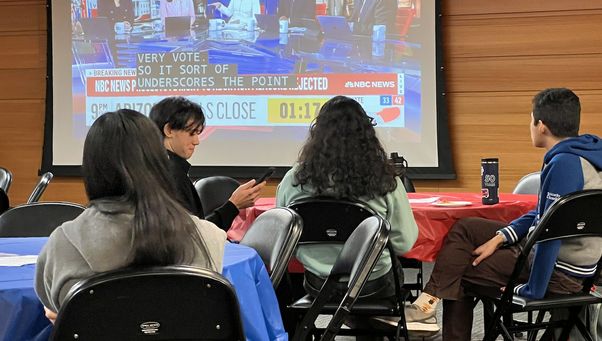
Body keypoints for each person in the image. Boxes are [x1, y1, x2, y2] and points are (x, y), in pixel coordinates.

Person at [405, 88, 602, 339]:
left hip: (559, 273)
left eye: (530, 120)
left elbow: (550, 237)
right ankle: (427, 303)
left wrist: (534, 290)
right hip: (576, 263)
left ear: (541, 126)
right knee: (467, 227)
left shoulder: (564, 164)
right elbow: (547, 215)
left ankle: (426, 311)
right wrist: (501, 237)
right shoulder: (586, 156)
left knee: (460, 272)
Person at [35, 110, 226, 323]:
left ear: (92, 168)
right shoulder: (210, 237)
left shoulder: (63, 243)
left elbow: (56, 307)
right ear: (160, 163)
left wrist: (63, 317)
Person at [276, 96, 418, 306]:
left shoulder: (295, 178)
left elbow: (283, 235)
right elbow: (403, 242)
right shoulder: (385, 180)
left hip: (317, 282)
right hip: (373, 283)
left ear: (318, 133)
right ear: (367, 134)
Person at [149, 97, 264, 231]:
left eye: (198, 134)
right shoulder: (172, 175)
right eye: (191, 133)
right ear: (169, 130)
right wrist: (234, 205)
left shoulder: (154, 166)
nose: (196, 141)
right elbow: (195, 235)